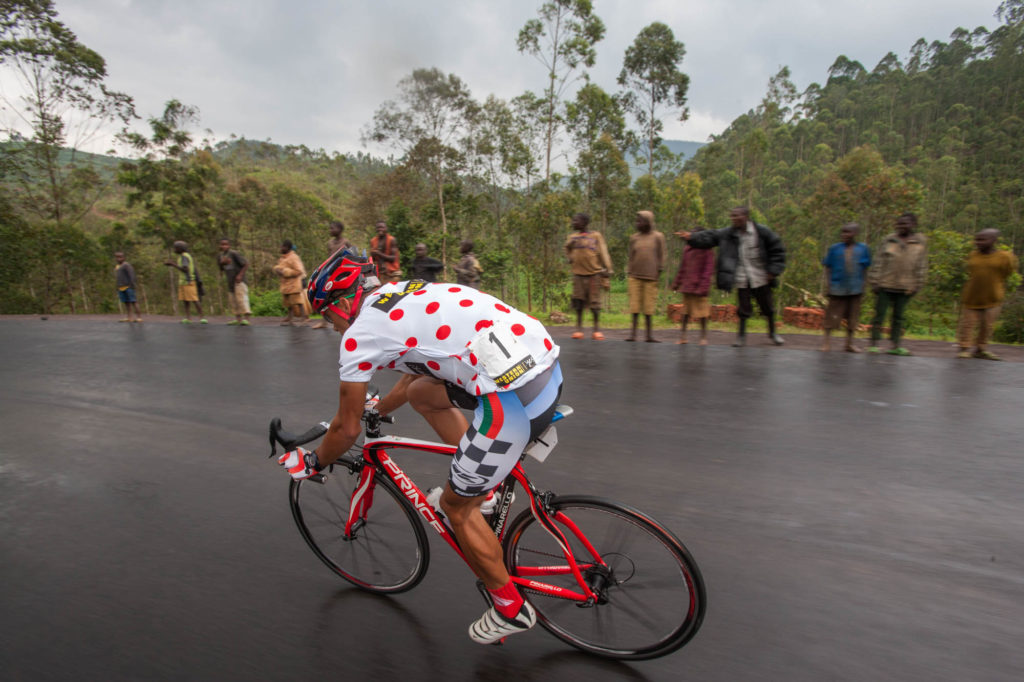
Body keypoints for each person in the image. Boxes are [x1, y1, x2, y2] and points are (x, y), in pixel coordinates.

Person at [278, 250, 562, 645]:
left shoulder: (360, 335)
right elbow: (415, 376)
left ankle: (510, 608)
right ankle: (486, 489)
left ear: (343, 304)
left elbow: (345, 429)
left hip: (513, 402)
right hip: (543, 366)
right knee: (425, 393)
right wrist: (378, 406)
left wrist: (313, 463)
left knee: (453, 508)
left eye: (327, 316)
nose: (332, 327)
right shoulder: (403, 292)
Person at [677, 207, 786, 347]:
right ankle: (741, 336)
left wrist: (773, 270)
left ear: (746, 216)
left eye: (737, 216)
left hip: (761, 276)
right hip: (742, 276)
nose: (734, 219)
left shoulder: (761, 232)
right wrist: (691, 237)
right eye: (732, 216)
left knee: (767, 306)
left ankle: (773, 333)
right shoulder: (728, 233)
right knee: (743, 308)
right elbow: (711, 236)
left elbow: (777, 249)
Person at [866, 213, 928, 356]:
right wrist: (874, 281)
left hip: (906, 286)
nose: (901, 227)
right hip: (885, 284)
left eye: (905, 224)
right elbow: (879, 261)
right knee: (879, 314)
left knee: (899, 317)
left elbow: (922, 264)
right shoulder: (889, 240)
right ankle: (874, 344)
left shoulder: (919, 242)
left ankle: (896, 344)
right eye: (899, 224)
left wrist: (919, 283)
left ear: (913, 225)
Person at [957, 229, 1019, 360]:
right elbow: (971, 271)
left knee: (987, 325)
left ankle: (981, 349)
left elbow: (1008, 272)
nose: (978, 242)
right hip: (972, 296)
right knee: (967, 324)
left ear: (993, 241)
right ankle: (964, 348)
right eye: (977, 239)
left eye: (982, 239)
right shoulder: (973, 255)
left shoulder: (1005, 257)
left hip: (993, 297)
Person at [821, 223, 871, 352]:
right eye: (843, 232)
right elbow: (828, 267)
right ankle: (826, 343)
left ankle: (849, 343)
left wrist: (863, 285)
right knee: (831, 316)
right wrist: (828, 285)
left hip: (855, 288)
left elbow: (865, 268)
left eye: (848, 232)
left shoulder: (863, 249)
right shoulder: (835, 249)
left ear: (855, 233)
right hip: (837, 287)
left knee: (853, 317)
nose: (844, 235)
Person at [565, 213, 612, 340]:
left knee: (595, 303)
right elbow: (567, 248)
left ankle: (596, 330)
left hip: (594, 275)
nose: (574, 222)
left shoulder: (595, 236)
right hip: (578, 275)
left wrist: (608, 268)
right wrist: (570, 258)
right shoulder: (573, 237)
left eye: (576, 220)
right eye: (573, 220)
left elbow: (603, 251)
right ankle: (579, 329)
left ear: (584, 222)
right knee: (578, 302)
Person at [626, 211, 666, 342]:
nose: (637, 224)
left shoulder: (658, 237)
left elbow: (661, 255)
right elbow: (631, 256)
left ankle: (649, 335)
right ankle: (633, 334)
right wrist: (630, 271)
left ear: (649, 222)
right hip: (635, 276)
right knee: (635, 307)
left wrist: (659, 271)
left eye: (640, 221)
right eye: (636, 221)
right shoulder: (634, 238)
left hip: (651, 277)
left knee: (649, 308)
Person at [670, 227, 714, 345]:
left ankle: (703, 337)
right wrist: (676, 283)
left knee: (703, 314)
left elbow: (708, 271)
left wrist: (703, 287)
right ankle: (683, 336)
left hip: (700, 288)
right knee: (685, 312)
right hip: (688, 286)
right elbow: (682, 268)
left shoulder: (707, 250)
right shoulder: (687, 249)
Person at [164, 241, 206, 324]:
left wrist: (173, 264)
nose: (174, 250)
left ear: (180, 249)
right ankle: (188, 318)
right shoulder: (182, 256)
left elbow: (185, 269)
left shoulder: (184, 256)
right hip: (183, 282)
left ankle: (201, 317)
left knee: (194, 299)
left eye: (176, 248)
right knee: (185, 300)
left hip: (188, 281)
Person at [273, 240, 308, 326]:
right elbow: (280, 268)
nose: (280, 248)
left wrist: (285, 272)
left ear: (287, 248)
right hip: (285, 284)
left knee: (298, 301)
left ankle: (304, 319)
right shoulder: (283, 258)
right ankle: (290, 320)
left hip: (294, 284)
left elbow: (299, 271)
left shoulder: (294, 257)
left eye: (282, 247)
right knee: (288, 303)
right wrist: (277, 269)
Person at [218, 238, 251, 326]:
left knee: (241, 299)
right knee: (233, 300)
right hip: (230, 281)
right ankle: (238, 319)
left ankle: (246, 319)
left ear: (229, 246)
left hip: (239, 281)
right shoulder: (220, 256)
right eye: (222, 245)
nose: (224, 246)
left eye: (226, 244)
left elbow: (246, 264)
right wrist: (222, 263)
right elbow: (221, 269)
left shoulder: (233, 254)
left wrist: (240, 275)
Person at [114, 252, 142, 323]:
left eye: (120, 257)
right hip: (121, 287)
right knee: (126, 302)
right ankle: (129, 317)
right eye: (117, 257)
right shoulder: (117, 266)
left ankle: (139, 317)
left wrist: (132, 285)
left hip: (128, 286)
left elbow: (132, 275)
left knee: (133, 301)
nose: (118, 259)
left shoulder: (126, 265)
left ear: (124, 258)